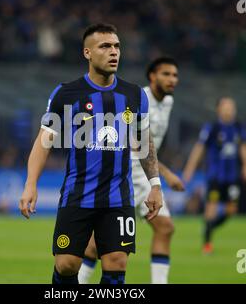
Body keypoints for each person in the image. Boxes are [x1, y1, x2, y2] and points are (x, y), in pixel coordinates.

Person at [19, 23, 163, 284]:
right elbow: (44, 140)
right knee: (66, 265)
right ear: (87, 53)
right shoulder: (66, 93)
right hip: (78, 194)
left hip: (118, 197)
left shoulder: (134, 95)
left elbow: (144, 142)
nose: (113, 52)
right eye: (105, 46)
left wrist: (155, 184)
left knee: (117, 264)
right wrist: (31, 184)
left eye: (117, 46)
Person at [78, 57, 185, 284]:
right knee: (98, 244)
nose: (172, 80)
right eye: (166, 74)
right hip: (124, 174)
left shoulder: (167, 102)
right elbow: (133, 142)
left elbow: (149, 145)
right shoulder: (137, 99)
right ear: (152, 76)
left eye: (175, 75)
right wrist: (165, 174)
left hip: (144, 175)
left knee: (164, 228)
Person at [183, 97, 246, 254]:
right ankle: (207, 244)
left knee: (231, 210)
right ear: (219, 109)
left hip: (232, 176)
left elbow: (244, 147)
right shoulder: (212, 127)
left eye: (231, 106)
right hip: (215, 176)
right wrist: (189, 168)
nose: (229, 110)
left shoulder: (239, 127)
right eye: (226, 106)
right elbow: (199, 148)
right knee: (211, 208)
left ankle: (209, 227)